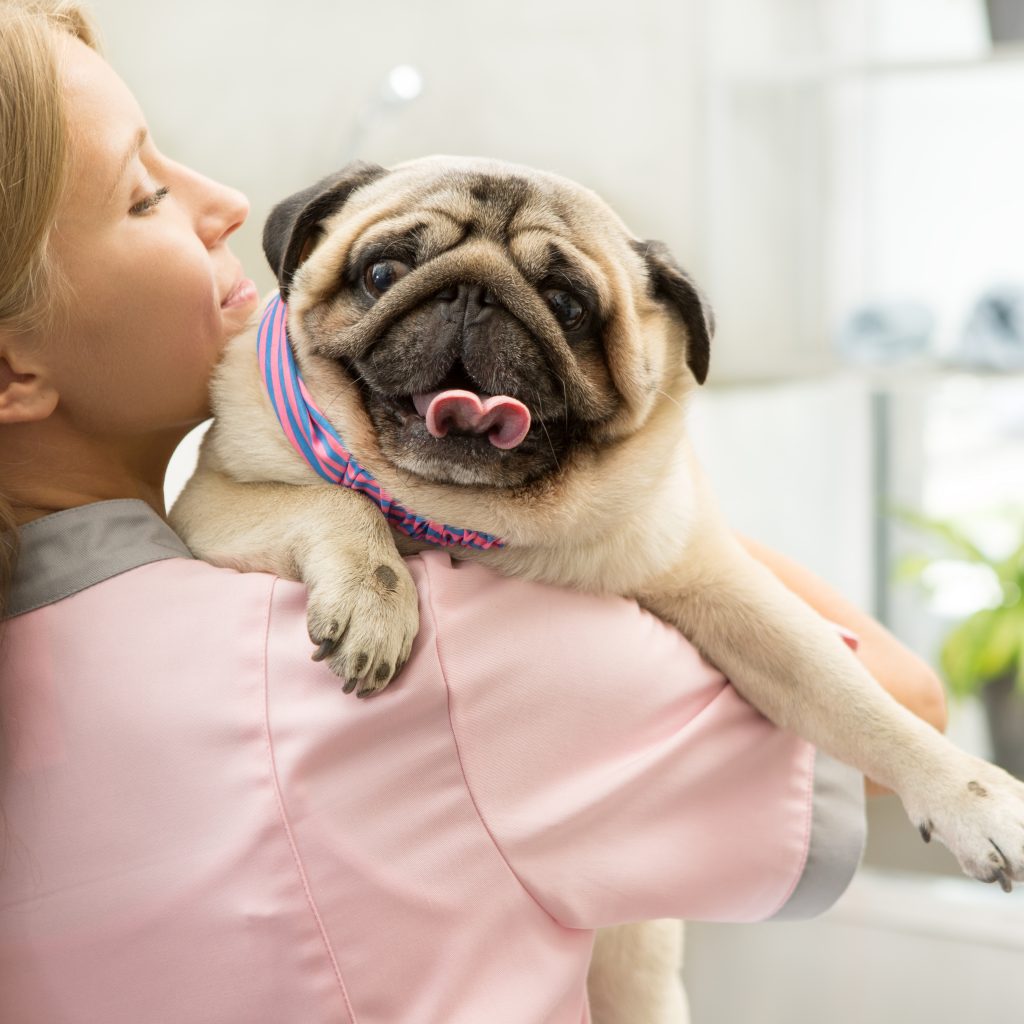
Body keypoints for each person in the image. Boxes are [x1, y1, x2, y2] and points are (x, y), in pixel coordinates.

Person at [0, 3, 946, 1022]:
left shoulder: (45, 665)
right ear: (16, 367)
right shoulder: (432, 652)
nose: (226, 200)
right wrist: (627, 492)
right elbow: (902, 709)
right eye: (144, 194)